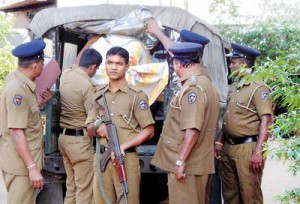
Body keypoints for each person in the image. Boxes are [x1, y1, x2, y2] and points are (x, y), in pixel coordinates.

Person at [151, 41, 220, 204]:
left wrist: (180, 161)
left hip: (188, 166)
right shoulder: (206, 83)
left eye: (174, 64)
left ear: (178, 64)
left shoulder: (193, 89)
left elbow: (192, 129)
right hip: (197, 164)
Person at [86, 46, 155, 204]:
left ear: (127, 66)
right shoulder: (98, 94)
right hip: (102, 159)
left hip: (126, 159)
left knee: (127, 200)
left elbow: (149, 130)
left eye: (119, 63)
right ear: (105, 65)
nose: (114, 67)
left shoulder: (136, 96)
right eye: (110, 63)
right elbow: (88, 129)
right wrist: (97, 127)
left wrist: (124, 146)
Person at [214, 43, 273, 203]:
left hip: (248, 149)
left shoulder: (258, 88)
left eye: (233, 62)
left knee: (249, 196)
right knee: (230, 195)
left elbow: (266, 121)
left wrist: (258, 152)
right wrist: (220, 141)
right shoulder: (235, 86)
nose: (231, 66)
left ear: (244, 63)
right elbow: (230, 118)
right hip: (229, 147)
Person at [0, 40, 52, 204]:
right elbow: (17, 132)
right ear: (34, 66)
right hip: (22, 166)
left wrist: (39, 104)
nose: (43, 67)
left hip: (18, 160)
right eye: (43, 63)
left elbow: (21, 115)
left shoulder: (16, 78)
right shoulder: (19, 90)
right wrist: (32, 168)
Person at [58, 36, 102, 204]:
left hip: (63, 140)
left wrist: (89, 42)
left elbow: (77, 61)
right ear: (93, 67)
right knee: (85, 190)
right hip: (79, 143)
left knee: (72, 187)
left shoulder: (67, 74)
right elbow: (92, 123)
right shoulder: (87, 87)